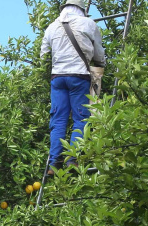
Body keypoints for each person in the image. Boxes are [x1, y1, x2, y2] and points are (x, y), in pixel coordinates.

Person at [40, 0, 106, 175]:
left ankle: (54, 163)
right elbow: (99, 55)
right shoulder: (89, 24)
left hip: (57, 79)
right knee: (81, 118)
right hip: (78, 77)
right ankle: (72, 159)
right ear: (82, 9)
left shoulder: (51, 26)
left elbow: (43, 54)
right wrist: (100, 65)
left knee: (58, 119)